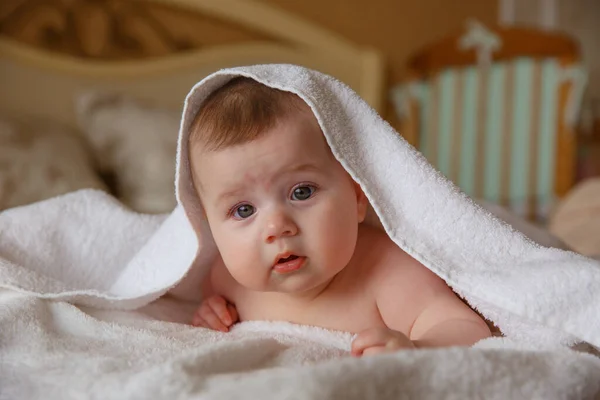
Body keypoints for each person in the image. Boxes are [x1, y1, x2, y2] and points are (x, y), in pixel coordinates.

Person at [187, 77, 491, 356]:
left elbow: (464, 326)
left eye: (302, 192)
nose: (276, 227)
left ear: (357, 196)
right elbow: (210, 295)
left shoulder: (389, 273)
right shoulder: (226, 280)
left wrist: (417, 347)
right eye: (243, 210)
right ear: (211, 226)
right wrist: (212, 310)